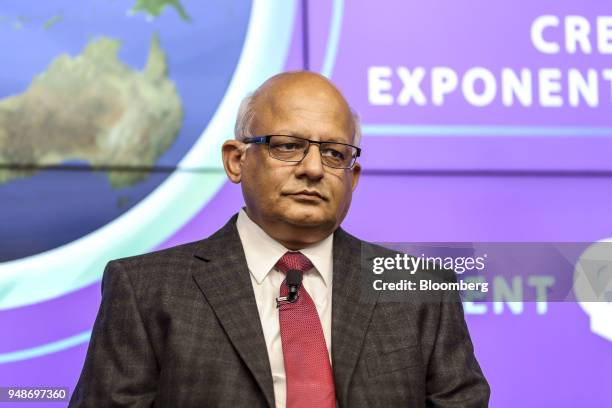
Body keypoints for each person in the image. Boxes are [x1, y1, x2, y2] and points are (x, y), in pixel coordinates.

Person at [69, 71, 490, 407]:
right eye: (288, 146)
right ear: (236, 160)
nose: (312, 168)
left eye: (334, 153)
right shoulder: (146, 290)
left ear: (353, 176)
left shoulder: (419, 291)